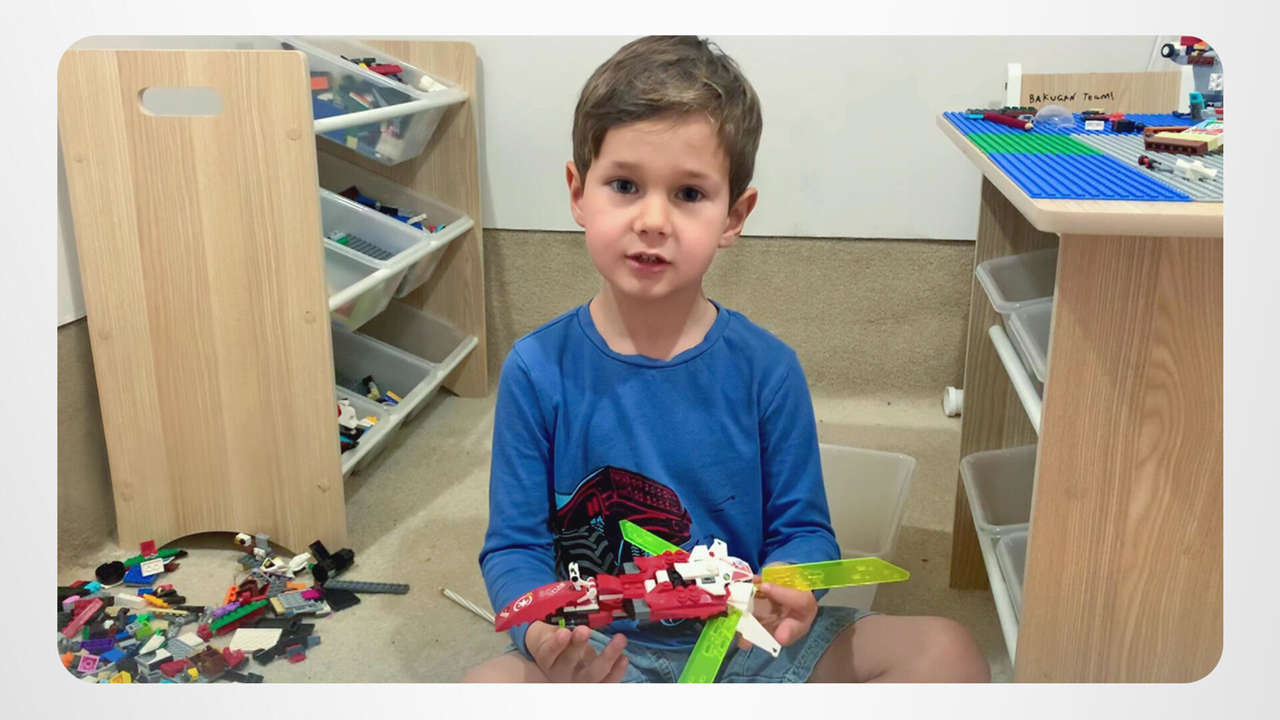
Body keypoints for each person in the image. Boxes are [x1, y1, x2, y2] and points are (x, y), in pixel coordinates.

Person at [464, 35, 989, 683]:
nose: (653, 219)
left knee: (948, 651)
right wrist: (540, 631)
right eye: (624, 185)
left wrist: (792, 583)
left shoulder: (768, 370)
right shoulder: (535, 369)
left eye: (688, 194)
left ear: (734, 216)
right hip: (601, 657)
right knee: (485, 688)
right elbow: (515, 548)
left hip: (745, 645)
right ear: (578, 192)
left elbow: (803, 531)